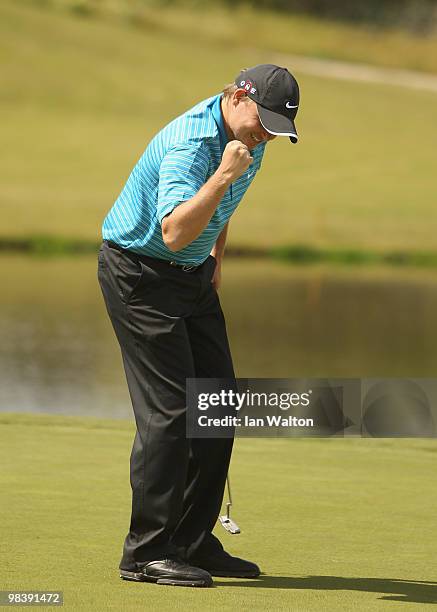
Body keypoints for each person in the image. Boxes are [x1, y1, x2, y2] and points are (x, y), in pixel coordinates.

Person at [97, 64, 300, 588]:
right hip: (140, 273)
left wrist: (215, 262)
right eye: (263, 122)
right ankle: (145, 553)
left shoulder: (246, 140)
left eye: (276, 129)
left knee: (219, 403)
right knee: (170, 414)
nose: (265, 135)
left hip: (191, 273)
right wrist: (224, 174)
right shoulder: (194, 145)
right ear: (237, 96)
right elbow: (171, 231)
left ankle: (190, 540)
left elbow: (220, 210)